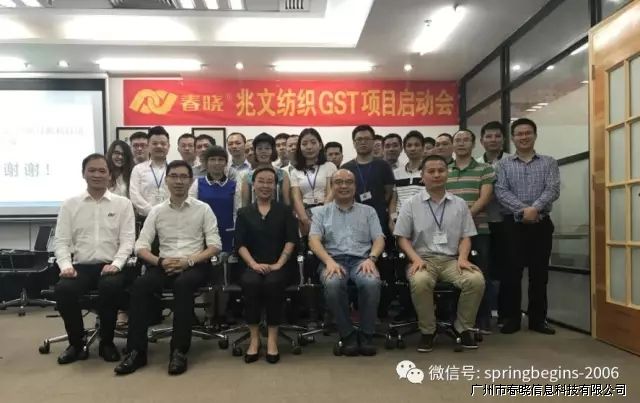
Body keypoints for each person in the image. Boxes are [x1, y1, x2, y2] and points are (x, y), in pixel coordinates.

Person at [115, 160, 221, 376]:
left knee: (183, 285)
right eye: (174, 176)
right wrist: (160, 261)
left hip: (194, 265)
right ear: (167, 180)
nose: (179, 181)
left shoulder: (203, 209)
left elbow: (215, 246)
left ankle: (179, 351)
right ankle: (136, 351)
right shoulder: (157, 211)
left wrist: (188, 261)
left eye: (184, 177)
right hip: (163, 264)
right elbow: (140, 246)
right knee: (140, 286)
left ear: (191, 181)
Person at [394, 155, 485, 352]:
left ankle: (463, 328)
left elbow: (466, 236)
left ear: (447, 173)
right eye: (431, 171)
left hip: (452, 260)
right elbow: (402, 238)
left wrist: (463, 258)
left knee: (476, 280)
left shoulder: (459, 204)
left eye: (441, 170)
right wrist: (415, 259)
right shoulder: (411, 204)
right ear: (422, 176)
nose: (436, 175)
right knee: (420, 281)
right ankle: (428, 330)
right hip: (423, 259)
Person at [53, 153, 135, 365]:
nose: (97, 175)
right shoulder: (70, 204)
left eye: (102, 171)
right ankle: (76, 343)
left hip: (111, 265)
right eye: (92, 170)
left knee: (110, 287)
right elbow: (61, 241)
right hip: (80, 266)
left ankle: (107, 342)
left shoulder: (123, 204)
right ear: (83, 174)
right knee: (64, 289)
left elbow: (127, 241)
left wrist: (116, 264)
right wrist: (65, 266)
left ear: (110, 175)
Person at [309, 169, 384, 356]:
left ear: (355, 186)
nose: (344, 186)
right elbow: (313, 240)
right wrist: (328, 261)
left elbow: (379, 239)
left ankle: (366, 334)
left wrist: (372, 258)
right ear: (332, 187)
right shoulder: (321, 212)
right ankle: (348, 334)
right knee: (333, 284)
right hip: (333, 261)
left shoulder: (368, 211)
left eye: (349, 182)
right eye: (339, 182)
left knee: (371, 283)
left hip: (362, 261)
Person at [495, 118, 560, 335]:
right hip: (512, 225)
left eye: (528, 133)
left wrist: (535, 209)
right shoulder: (503, 164)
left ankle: (538, 320)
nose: (524, 137)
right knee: (511, 273)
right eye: (519, 134)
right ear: (512, 138)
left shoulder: (549, 162)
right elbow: (501, 191)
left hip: (541, 224)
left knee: (539, 274)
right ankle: (512, 319)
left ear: (535, 135)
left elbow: (553, 189)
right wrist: (524, 210)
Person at [235, 167, 298, 364]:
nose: (265, 185)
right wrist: (253, 264)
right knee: (251, 283)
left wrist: (279, 263)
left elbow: (291, 240)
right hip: (251, 265)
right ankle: (254, 339)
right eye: (260, 181)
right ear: (253, 185)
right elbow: (240, 244)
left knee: (273, 284)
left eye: (270, 181)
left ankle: (272, 339)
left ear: (275, 185)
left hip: (280, 265)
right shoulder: (244, 213)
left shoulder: (285, 211)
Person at [447, 129, 495, 333]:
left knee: (480, 275)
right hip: (450, 234)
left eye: (466, 140)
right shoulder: (445, 170)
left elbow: (485, 198)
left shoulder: (484, 169)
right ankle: (455, 320)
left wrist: (464, 218)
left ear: (473, 144)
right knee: (454, 276)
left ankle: (481, 320)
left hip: (478, 231)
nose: (461, 143)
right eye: (457, 140)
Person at [387, 130, 425, 323]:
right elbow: (394, 199)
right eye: (409, 145)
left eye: (416, 145)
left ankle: (423, 311)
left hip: (423, 227)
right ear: (404, 148)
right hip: (401, 226)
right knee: (402, 269)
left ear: (423, 147)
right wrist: (392, 219)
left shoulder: (428, 171)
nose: (413, 148)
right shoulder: (397, 173)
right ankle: (407, 309)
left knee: (420, 267)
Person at [477, 121, 510, 326]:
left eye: (497, 136)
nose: (493, 140)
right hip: (481, 222)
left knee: (506, 268)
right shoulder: (476, 163)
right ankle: (486, 312)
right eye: (488, 136)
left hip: (505, 221)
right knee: (484, 268)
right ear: (481, 141)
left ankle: (505, 313)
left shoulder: (511, 161)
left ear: (504, 139)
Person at [342, 125, 394, 245]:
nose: (363, 142)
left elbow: (389, 191)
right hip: (352, 216)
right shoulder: (346, 168)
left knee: (380, 247)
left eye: (367, 139)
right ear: (354, 143)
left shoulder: (383, 165)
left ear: (373, 141)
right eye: (359, 139)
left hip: (379, 216)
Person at [290, 128, 337, 235]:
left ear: (320, 145)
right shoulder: (295, 171)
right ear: (300, 147)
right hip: (305, 213)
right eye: (304, 144)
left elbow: (331, 192)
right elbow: (296, 198)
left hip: (327, 212)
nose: (309, 147)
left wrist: (322, 215)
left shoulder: (329, 166)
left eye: (313, 142)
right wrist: (304, 219)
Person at [189, 146, 236, 254]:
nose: (216, 163)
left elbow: (236, 211)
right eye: (212, 159)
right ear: (206, 163)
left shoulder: (234, 185)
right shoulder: (197, 183)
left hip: (227, 231)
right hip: (203, 232)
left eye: (220, 159)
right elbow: (191, 210)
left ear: (226, 163)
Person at [129, 126, 170, 219]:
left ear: (168, 146)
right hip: (145, 218)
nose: (159, 146)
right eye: (155, 143)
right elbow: (135, 196)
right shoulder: (138, 169)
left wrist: (168, 212)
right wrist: (153, 212)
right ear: (148, 146)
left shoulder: (174, 169)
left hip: (170, 218)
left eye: (163, 143)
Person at [240, 132, 291, 208]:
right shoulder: (247, 177)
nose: (263, 151)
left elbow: (287, 203)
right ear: (255, 151)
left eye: (267, 148)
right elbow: (244, 206)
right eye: (259, 148)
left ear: (273, 151)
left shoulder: (283, 174)